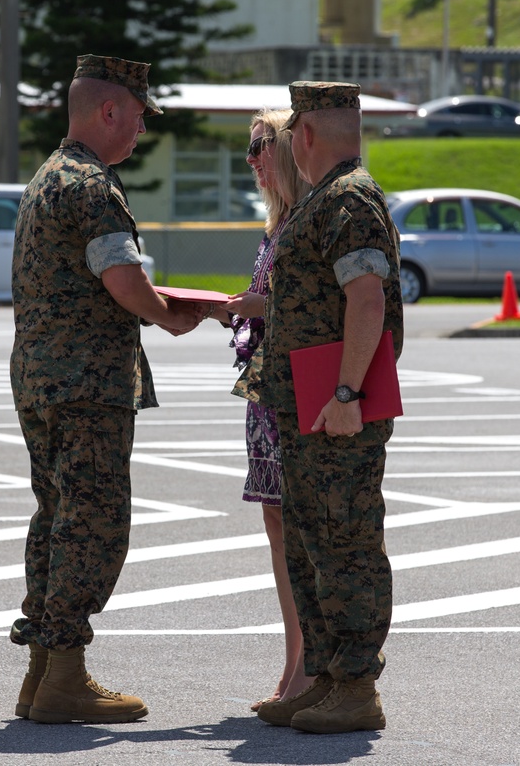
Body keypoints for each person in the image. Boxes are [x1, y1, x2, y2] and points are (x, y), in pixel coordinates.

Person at [8, 54, 206, 725]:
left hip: (43, 377)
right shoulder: (92, 186)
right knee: (92, 523)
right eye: (140, 113)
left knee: (56, 517)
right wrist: (174, 314)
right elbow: (122, 280)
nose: (143, 127)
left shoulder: (47, 177)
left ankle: (42, 672)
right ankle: (63, 673)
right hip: (86, 381)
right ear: (110, 110)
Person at [246, 82, 404, 734]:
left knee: (345, 543)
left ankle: (356, 686)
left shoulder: (349, 201)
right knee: (312, 542)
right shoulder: (327, 201)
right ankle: (329, 677)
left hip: (337, 406)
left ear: (304, 134)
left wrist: (346, 395)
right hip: (306, 403)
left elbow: (366, 303)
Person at [205, 107, 312, 711]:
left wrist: (255, 305)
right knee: (277, 525)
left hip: (296, 394)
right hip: (267, 394)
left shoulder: (306, 221)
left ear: (290, 151)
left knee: (295, 529)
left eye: (260, 147)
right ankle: (294, 661)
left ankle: (304, 671)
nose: (251, 160)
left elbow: (307, 311)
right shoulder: (276, 226)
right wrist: (243, 307)